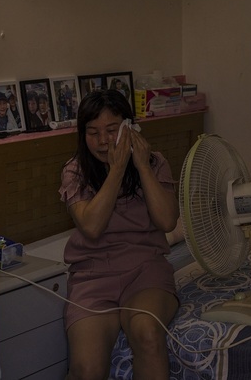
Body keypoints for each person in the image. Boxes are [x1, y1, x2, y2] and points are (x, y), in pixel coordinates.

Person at [59, 90, 179, 380]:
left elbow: (166, 221)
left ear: (129, 127)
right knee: (87, 368)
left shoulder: (155, 162)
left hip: (146, 270)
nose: (102, 141)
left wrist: (140, 165)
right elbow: (92, 227)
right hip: (93, 278)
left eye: (111, 130)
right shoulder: (75, 171)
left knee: (147, 334)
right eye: (93, 132)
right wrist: (116, 170)